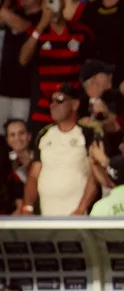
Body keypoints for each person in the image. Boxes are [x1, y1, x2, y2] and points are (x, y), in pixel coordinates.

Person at [19, 0, 93, 131]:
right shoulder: (36, 33)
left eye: (55, 0)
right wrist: (41, 26)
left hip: (72, 107)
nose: (52, 5)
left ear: (64, 2)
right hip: (44, 109)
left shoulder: (81, 31)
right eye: (48, 1)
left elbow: (91, 67)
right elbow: (23, 60)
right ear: (42, 5)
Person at [20, 84, 100, 216]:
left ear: (74, 104)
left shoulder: (88, 133)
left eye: (60, 100)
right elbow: (34, 175)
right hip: (46, 216)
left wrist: (81, 209)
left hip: (78, 216)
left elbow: (95, 174)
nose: (53, 105)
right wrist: (27, 207)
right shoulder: (44, 134)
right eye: (52, 101)